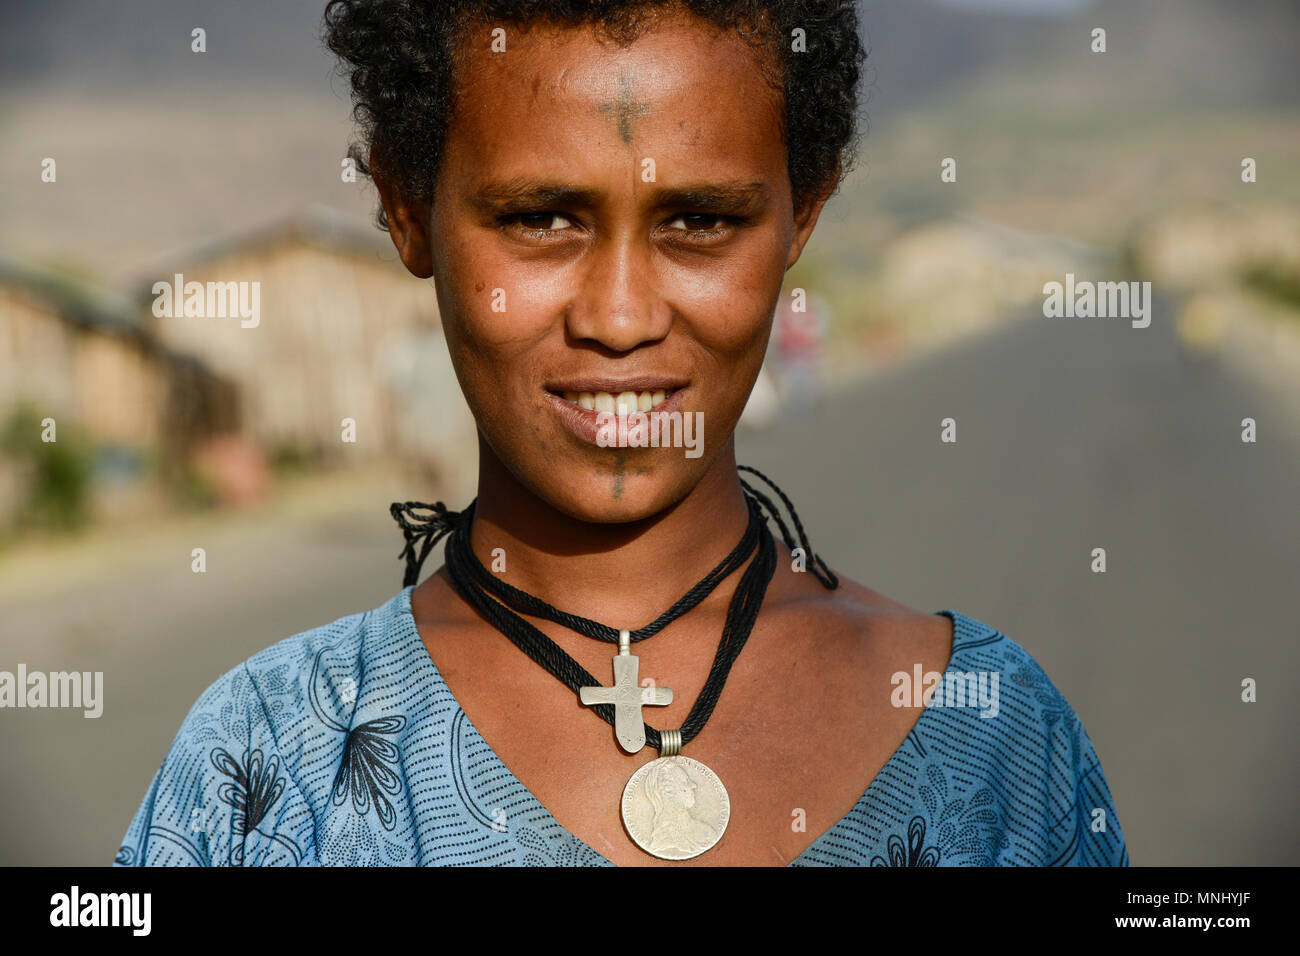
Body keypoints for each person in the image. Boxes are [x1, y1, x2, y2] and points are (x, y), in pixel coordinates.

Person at [114, 0, 1128, 867]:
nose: (620, 313)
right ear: (406, 207)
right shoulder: (269, 763)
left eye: (700, 220)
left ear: (800, 216)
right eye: (542, 217)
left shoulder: (996, 736)